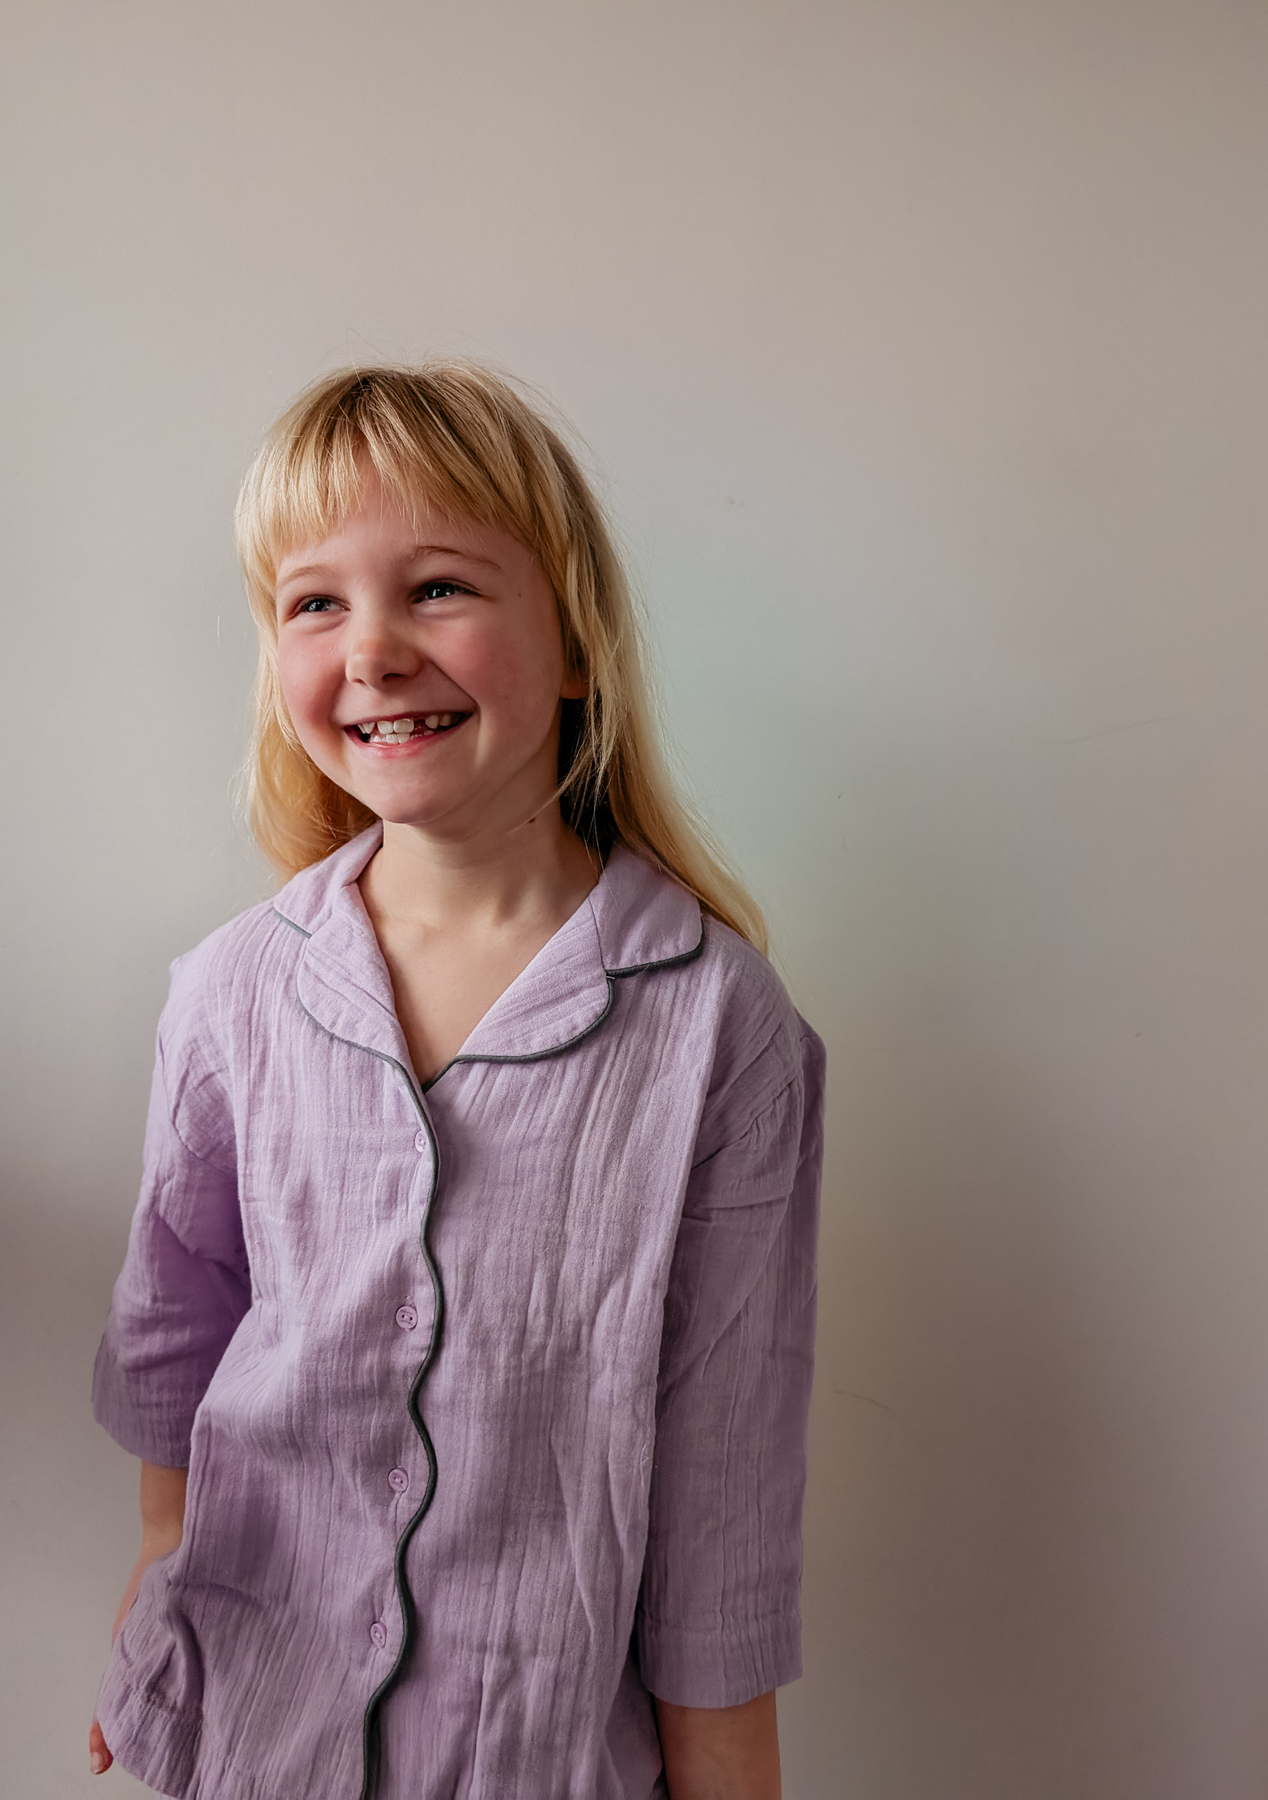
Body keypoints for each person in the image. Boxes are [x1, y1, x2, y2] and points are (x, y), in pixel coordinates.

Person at [88, 362, 825, 1800]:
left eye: (436, 588)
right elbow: (177, 1313)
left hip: (531, 1750)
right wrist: (160, 1555)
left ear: (575, 647)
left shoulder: (716, 1027)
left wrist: (728, 1766)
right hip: (253, 1729)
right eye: (314, 603)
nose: (372, 650)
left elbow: (725, 1474)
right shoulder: (232, 991)